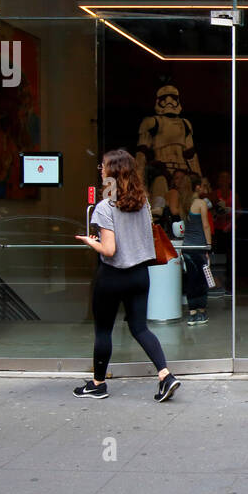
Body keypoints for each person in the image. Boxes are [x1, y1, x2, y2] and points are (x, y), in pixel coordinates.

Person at [74, 149, 180, 403]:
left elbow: (110, 249)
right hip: (140, 275)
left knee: (103, 331)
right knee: (140, 328)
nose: (100, 170)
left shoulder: (104, 207)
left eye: (103, 166)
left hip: (112, 276)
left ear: (112, 172)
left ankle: (98, 384)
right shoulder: (142, 202)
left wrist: (90, 241)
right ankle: (165, 375)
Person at [182, 178, 215, 327]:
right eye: (205, 186)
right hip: (199, 247)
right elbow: (206, 226)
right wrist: (208, 245)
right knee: (202, 280)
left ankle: (192, 313)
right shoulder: (201, 204)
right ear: (198, 187)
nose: (207, 189)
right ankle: (201, 311)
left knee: (191, 279)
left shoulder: (185, 203)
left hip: (187, 247)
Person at [212, 170, 234, 296]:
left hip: (229, 230)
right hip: (217, 230)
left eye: (227, 178)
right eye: (222, 178)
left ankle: (229, 285)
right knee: (217, 258)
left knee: (230, 259)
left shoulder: (233, 194)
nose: (224, 181)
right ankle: (217, 285)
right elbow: (210, 209)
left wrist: (231, 222)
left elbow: (239, 211)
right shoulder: (215, 194)